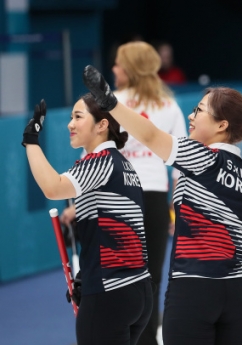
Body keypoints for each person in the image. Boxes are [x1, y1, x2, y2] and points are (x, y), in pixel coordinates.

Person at [82, 64, 242, 345]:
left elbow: (149, 136)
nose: (190, 115)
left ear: (222, 126)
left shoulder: (200, 157)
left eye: (198, 111)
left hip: (194, 288)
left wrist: (110, 103)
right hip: (241, 293)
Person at [62, 40, 188, 345]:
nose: (114, 69)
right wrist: (178, 210)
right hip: (155, 199)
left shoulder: (110, 101)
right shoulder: (169, 105)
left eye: (118, 63)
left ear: (130, 68)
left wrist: (76, 205)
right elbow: (181, 163)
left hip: (113, 198)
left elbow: (90, 154)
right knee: (149, 280)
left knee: (109, 279)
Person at [23, 95, 153, 345]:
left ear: (102, 125)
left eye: (78, 117)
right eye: (71, 117)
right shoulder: (124, 166)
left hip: (111, 292)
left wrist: (31, 141)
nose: (70, 124)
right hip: (137, 289)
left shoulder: (100, 161)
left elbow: (53, 188)